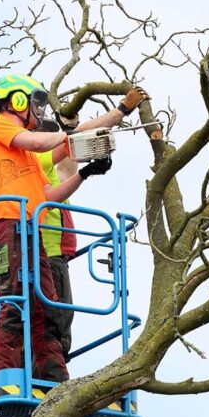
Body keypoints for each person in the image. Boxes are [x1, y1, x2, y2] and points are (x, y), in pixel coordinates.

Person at [0, 73, 148, 381]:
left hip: (29, 228)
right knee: (17, 300)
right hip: (6, 223)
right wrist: (65, 132)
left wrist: (86, 172)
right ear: (16, 101)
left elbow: (48, 195)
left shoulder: (28, 155)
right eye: (33, 104)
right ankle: (3, 378)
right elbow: (44, 139)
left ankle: (53, 379)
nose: (37, 112)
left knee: (45, 306)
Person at [34, 86, 149, 358]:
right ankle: (53, 371)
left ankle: (51, 365)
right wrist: (122, 110)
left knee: (51, 317)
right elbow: (81, 135)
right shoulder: (38, 159)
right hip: (48, 255)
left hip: (48, 256)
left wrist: (88, 169)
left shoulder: (47, 172)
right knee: (57, 318)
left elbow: (73, 155)